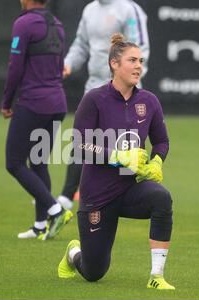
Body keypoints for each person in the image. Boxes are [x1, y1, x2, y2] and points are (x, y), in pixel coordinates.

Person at [57, 34, 175, 290]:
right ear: (114, 64)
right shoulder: (94, 99)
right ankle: (74, 253)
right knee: (94, 272)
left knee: (162, 199)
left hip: (131, 189)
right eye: (132, 60)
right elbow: (79, 145)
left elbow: (162, 142)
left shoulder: (149, 101)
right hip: (98, 195)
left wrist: (156, 162)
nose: (138, 66)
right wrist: (117, 156)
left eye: (140, 61)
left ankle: (156, 276)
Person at [57, 0, 150, 211]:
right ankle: (65, 198)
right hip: (94, 86)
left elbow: (141, 48)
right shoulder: (90, 10)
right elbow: (81, 44)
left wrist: (129, 81)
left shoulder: (128, 9)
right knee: (83, 140)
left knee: (125, 143)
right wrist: (69, 64)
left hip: (123, 90)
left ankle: (127, 195)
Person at [1, 0, 73, 240]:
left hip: (33, 104)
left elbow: (15, 67)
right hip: (57, 104)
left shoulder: (24, 23)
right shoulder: (58, 24)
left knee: (14, 163)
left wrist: (6, 102)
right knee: (39, 163)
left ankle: (55, 210)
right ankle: (40, 226)